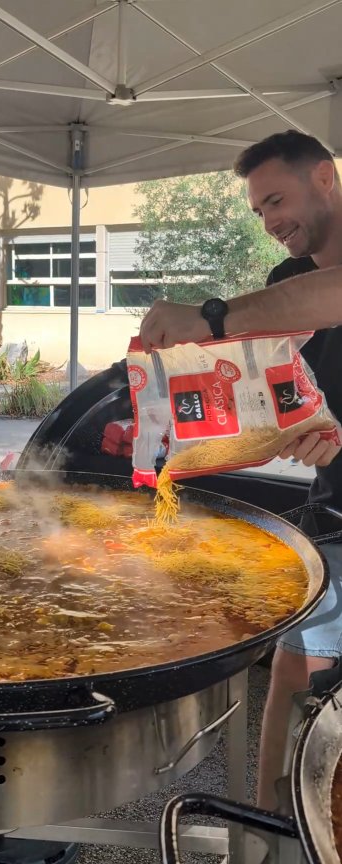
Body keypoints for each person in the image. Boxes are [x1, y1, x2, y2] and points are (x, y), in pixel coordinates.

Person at [139, 130, 342, 810]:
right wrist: (282, 432)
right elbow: (285, 392)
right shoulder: (285, 282)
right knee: (292, 668)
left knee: (330, 696)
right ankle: (261, 833)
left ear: (325, 178)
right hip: (334, 504)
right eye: (258, 211)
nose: (270, 220)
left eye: (276, 199)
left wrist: (212, 317)